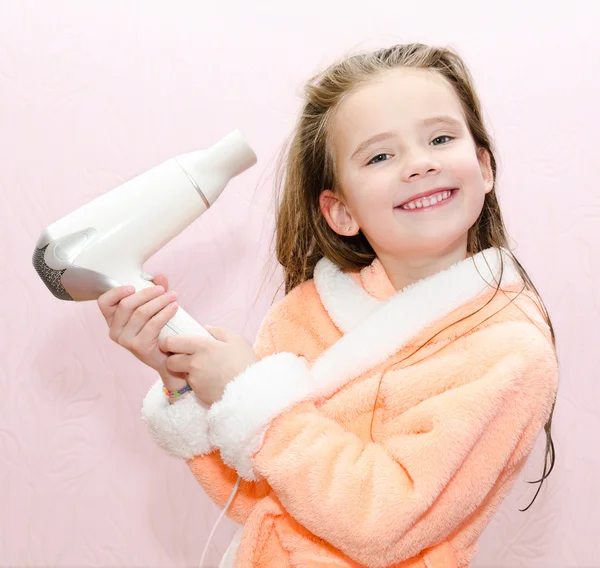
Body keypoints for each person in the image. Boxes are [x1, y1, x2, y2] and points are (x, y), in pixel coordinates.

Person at [97, 42, 559, 568]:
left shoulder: (509, 350)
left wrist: (251, 397)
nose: (420, 164)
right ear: (340, 211)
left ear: (484, 166)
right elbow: (255, 497)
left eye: (440, 138)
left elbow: (385, 523)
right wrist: (184, 379)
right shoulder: (307, 313)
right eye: (381, 155)